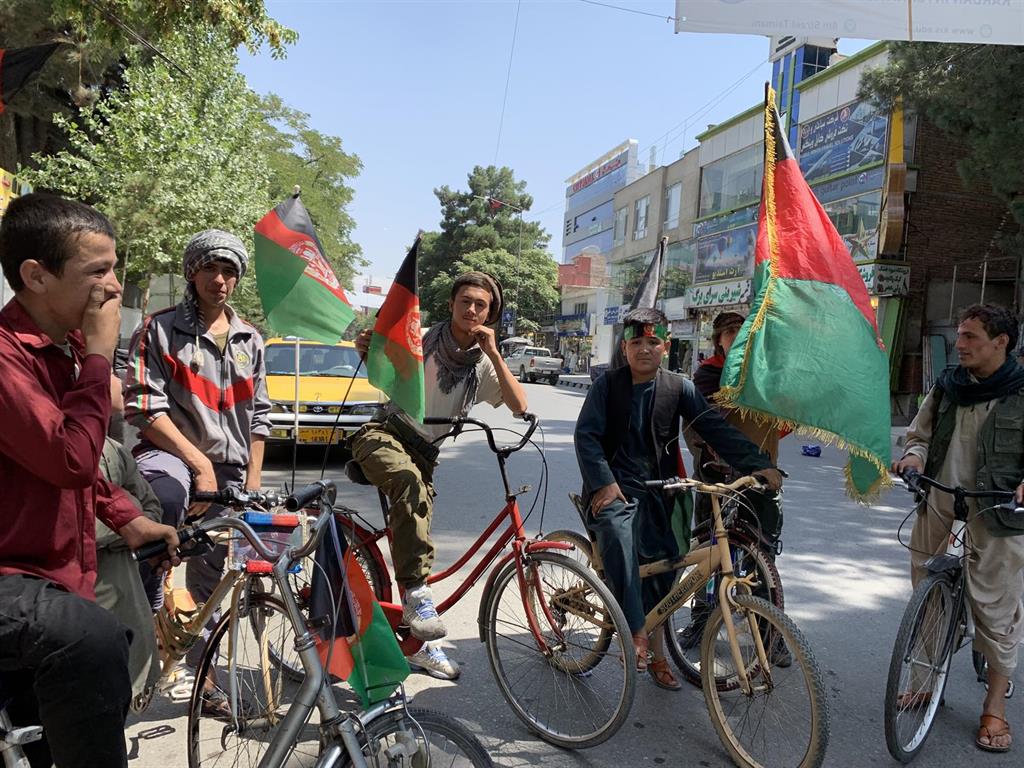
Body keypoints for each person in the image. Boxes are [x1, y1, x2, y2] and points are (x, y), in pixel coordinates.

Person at [0, 192, 178, 768]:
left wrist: (126, 517)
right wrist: (102, 358)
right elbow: (68, 457)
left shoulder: (65, 348)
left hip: (55, 578)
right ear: (36, 276)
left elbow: (80, 468)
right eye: (96, 272)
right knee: (90, 639)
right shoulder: (8, 359)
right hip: (12, 576)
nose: (111, 287)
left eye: (114, 268)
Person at [574, 307, 781, 690]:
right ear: (625, 347)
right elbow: (586, 437)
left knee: (669, 566)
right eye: (636, 342)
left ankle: (656, 650)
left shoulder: (679, 387)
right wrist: (603, 482)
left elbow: (713, 428)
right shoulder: (608, 386)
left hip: (665, 490)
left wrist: (757, 463)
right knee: (620, 543)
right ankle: (635, 632)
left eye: (653, 342)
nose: (645, 349)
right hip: (615, 490)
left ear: (666, 346)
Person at [123, 229, 271, 714]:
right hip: (172, 456)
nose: (220, 279)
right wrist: (199, 462)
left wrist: (251, 484)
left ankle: (204, 680)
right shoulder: (159, 328)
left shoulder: (252, 338)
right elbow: (145, 407)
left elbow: (261, 418)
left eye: (229, 271)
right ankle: (142, 626)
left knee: (217, 579)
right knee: (163, 502)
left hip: (231, 468)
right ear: (193, 271)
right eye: (211, 268)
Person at [352, 271, 528, 679]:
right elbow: (381, 359)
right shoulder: (419, 337)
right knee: (410, 490)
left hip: (424, 452)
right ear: (451, 305)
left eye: (480, 305)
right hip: (383, 433)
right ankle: (416, 594)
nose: (471, 310)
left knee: (415, 523)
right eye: (465, 301)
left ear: (490, 314)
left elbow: (519, 406)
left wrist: (496, 354)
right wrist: (368, 349)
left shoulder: (483, 361)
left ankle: (416, 641)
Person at [893, 304, 1024, 753]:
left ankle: (994, 708)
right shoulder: (948, 386)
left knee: (996, 608)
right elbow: (918, 434)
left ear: (1001, 342)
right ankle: (925, 682)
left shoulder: (1021, 389)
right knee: (925, 593)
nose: (960, 344)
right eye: (961, 335)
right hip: (939, 496)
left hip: (1000, 508)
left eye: (970, 336)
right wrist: (912, 455)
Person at [96, 375, 164, 708]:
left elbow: (151, 507)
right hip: (80, 609)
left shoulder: (115, 452)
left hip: (126, 607)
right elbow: (75, 524)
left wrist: (130, 520)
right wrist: (129, 525)